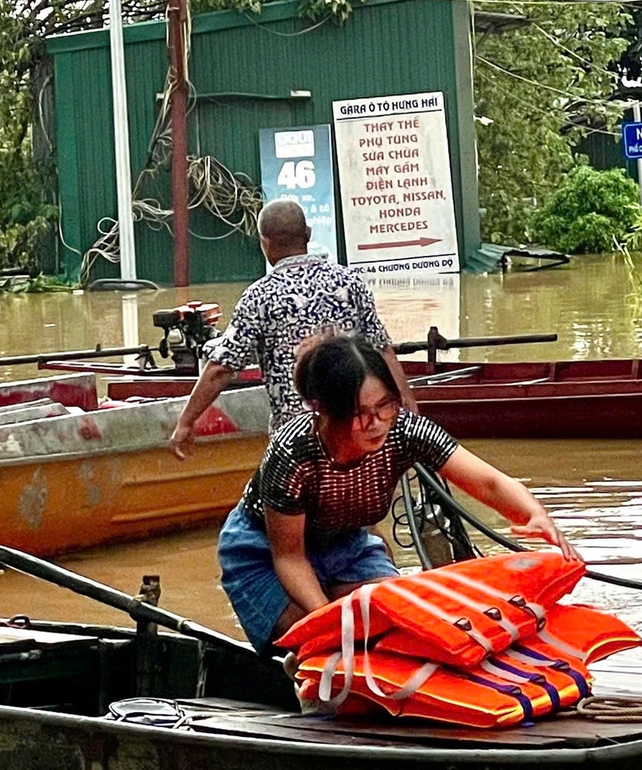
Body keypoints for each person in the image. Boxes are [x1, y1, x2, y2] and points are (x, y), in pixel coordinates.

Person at [216, 333, 571, 653]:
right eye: (358, 413)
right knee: (325, 640)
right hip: (264, 553)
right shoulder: (293, 451)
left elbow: (488, 482)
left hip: (348, 546)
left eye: (385, 405)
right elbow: (289, 557)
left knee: (402, 626)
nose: (376, 423)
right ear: (322, 408)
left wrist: (533, 512)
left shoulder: (404, 430)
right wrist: (328, 620)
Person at [168, 198, 411, 456]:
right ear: (308, 234)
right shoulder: (350, 283)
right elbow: (382, 349)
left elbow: (221, 368)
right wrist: (407, 405)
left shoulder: (260, 296)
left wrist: (186, 421)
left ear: (265, 242)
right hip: (357, 429)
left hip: (295, 441)